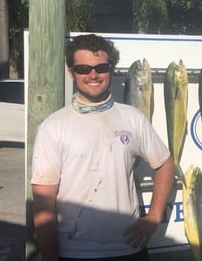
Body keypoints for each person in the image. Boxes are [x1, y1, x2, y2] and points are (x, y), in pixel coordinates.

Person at [31, 34, 175, 261]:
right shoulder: (53, 127)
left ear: (111, 69)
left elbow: (165, 164)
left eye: (101, 67)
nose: (93, 74)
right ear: (71, 72)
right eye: (83, 68)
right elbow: (43, 201)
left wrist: (154, 217)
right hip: (74, 253)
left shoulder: (133, 117)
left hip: (130, 250)